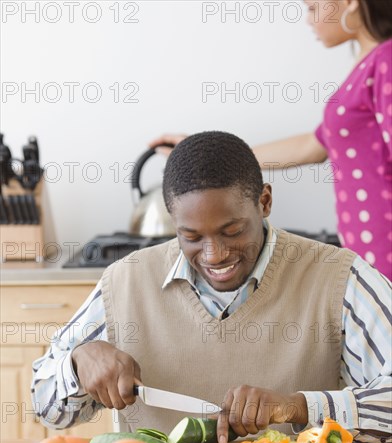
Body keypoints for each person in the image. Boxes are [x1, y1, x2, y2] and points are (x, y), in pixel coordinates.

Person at [32, 131, 391, 443]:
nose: (214, 255)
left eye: (232, 231)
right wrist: (78, 363)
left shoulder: (339, 277)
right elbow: (46, 407)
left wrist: (297, 406)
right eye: (191, 237)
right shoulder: (125, 282)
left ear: (265, 201)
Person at [150, 0, 392, 280]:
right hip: (371, 248)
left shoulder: (386, 59)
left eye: (313, 7)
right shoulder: (369, 65)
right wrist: (207, 154)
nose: (307, 19)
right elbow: (313, 146)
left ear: (350, 3)